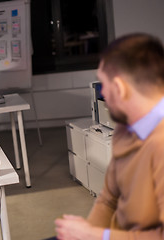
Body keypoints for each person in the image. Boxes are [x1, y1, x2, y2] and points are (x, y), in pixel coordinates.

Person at [54, 33, 164, 239]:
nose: (101, 93)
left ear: (121, 88)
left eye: (104, 85)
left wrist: (96, 235)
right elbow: (108, 199)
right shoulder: (125, 130)